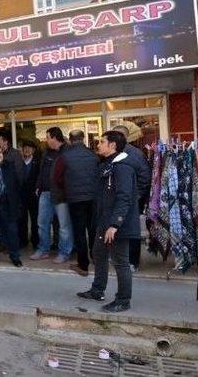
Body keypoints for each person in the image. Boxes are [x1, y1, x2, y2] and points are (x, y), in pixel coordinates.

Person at [77, 131, 139, 313]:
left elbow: (124, 198)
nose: (98, 144)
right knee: (99, 254)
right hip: (104, 222)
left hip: (117, 225)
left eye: (102, 142)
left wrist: (115, 224)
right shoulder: (108, 165)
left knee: (121, 262)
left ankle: (123, 300)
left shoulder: (123, 167)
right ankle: (97, 290)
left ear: (112, 145)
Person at [55, 130, 99, 276]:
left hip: (75, 198)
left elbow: (58, 178)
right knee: (93, 229)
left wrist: (68, 186)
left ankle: (83, 265)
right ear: (83, 138)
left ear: (71, 140)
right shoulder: (93, 154)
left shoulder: (64, 156)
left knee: (79, 232)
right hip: (93, 197)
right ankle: (96, 258)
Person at [30, 127, 73, 264]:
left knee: (64, 225)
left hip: (61, 194)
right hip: (45, 193)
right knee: (42, 223)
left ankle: (64, 252)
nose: (46, 140)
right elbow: (41, 171)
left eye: (47, 137)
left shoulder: (68, 152)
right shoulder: (46, 152)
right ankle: (43, 250)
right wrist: (38, 186)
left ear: (54, 137)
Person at [112, 125, 151, 272]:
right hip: (118, 198)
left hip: (132, 199)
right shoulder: (114, 153)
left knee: (132, 230)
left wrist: (136, 195)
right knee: (118, 227)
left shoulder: (134, 154)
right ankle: (122, 258)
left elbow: (145, 177)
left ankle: (133, 261)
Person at [19, 140, 40, 249]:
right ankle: (23, 241)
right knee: (22, 219)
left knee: (35, 219)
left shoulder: (38, 162)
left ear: (34, 150)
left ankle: (35, 241)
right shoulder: (19, 162)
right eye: (25, 148)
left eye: (30, 148)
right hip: (21, 195)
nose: (27, 150)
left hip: (34, 196)